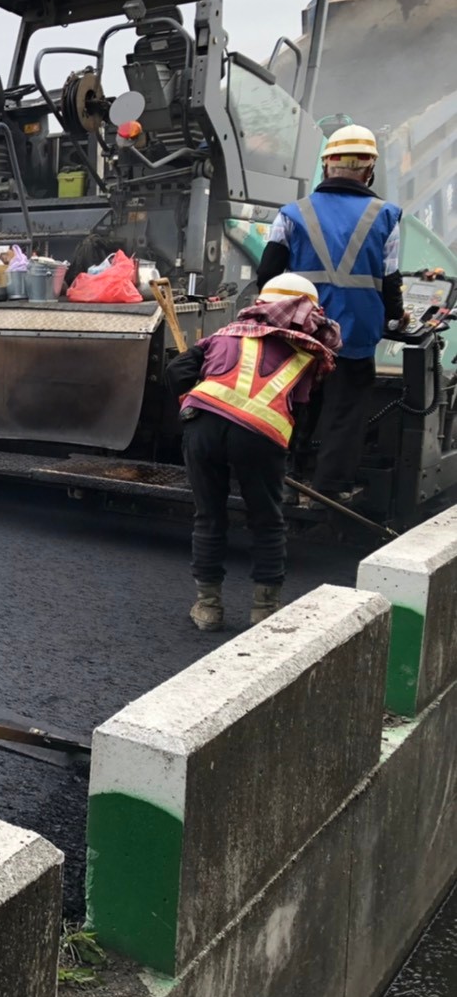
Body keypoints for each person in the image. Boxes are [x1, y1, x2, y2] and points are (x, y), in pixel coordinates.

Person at [166, 274, 342, 629]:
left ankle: (208, 609)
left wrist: (189, 401)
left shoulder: (225, 333)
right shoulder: (308, 353)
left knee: (209, 516)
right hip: (260, 436)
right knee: (266, 519)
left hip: (204, 425)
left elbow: (177, 369)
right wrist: (290, 456)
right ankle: (265, 610)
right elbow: (306, 416)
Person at [256, 124, 406, 505]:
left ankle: (286, 479)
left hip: (300, 329)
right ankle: (329, 488)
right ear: (369, 168)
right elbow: (389, 279)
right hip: (355, 334)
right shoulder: (386, 216)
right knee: (345, 411)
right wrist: (396, 318)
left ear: (327, 166)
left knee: (294, 402)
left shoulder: (291, 214)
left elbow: (267, 275)